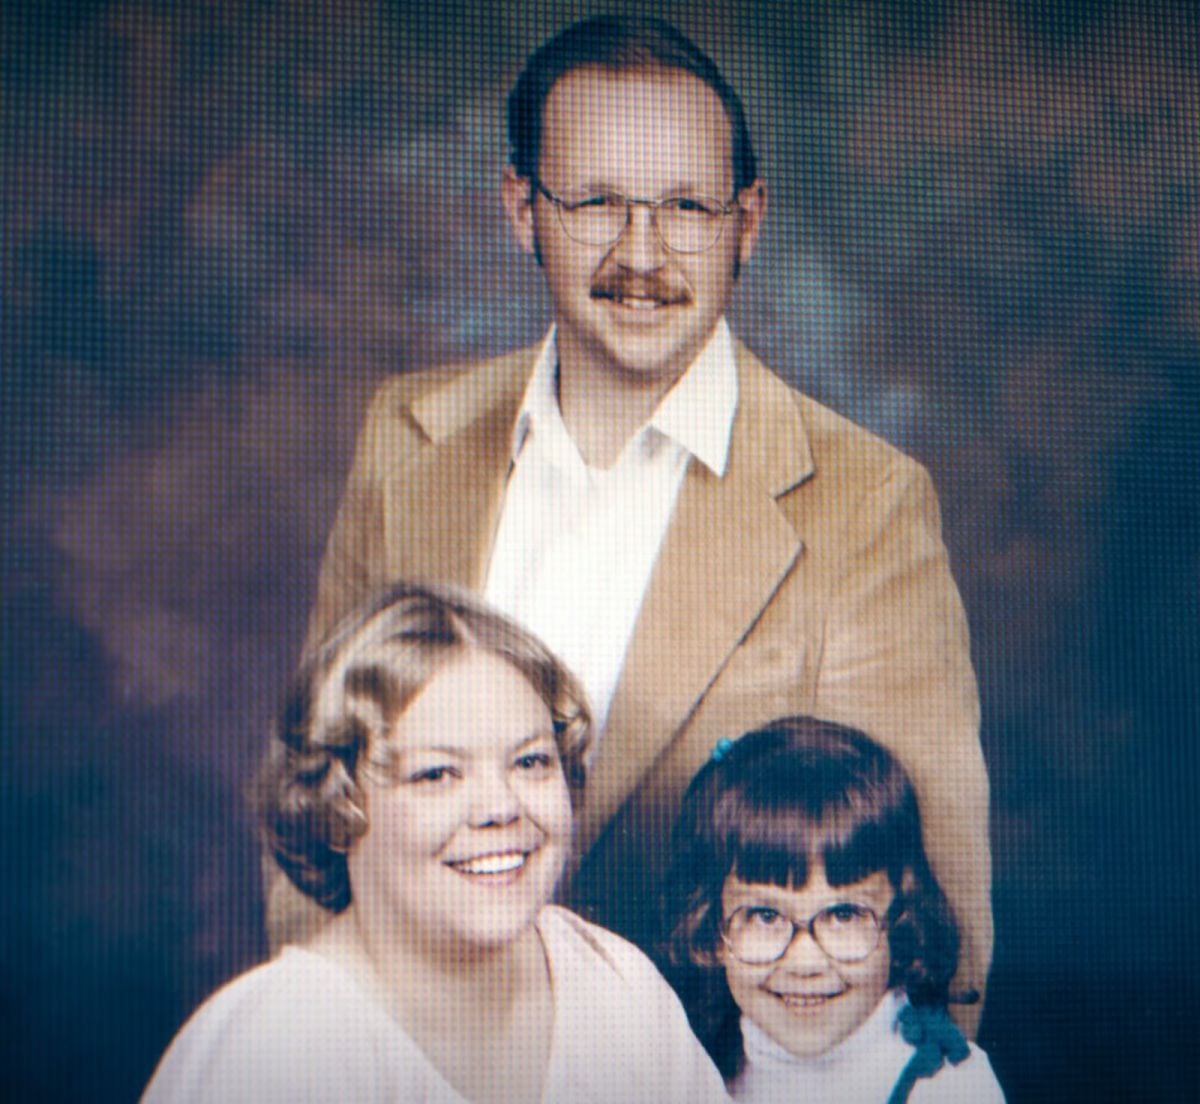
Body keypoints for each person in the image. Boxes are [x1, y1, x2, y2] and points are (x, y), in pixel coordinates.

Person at [290, 14, 991, 1034]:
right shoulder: (406, 440)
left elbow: (933, 927)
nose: (643, 254)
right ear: (520, 208)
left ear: (746, 223)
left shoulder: (867, 505)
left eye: (686, 208)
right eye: (597, 203)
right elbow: (319, 808)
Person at [143, 583, 730, 1103]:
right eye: (437, 774)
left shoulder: (614, 988)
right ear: (338, 806)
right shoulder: (271, 1054)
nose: (501, 808)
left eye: (530, 762)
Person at [660, 716, 1005, 1103]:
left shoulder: (947, 1089)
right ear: (712, 933)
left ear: (901, 924)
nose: (805, 962)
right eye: (766, 916)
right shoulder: (691, 1073)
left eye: (843, 914)